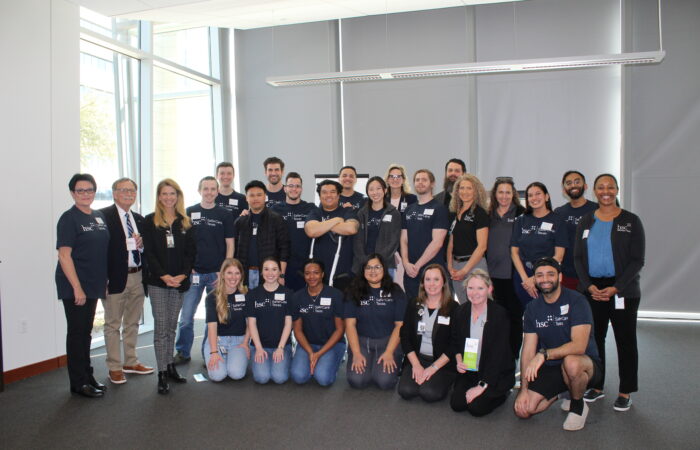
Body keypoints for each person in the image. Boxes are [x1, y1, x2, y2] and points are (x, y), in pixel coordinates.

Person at [574, 173, 645, 411]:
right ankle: (597, 386)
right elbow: (577, 258)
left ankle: (626, 390)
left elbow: (637, 261)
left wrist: (616, 287)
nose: (606, 191)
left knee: (626, 340)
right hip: (592, 288)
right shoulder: (585, 221)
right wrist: (588, 286)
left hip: (623, 289)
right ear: (594, 191)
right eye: (601, 187)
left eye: (610, 187)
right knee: (595, 340)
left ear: (616, 190)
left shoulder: (631, 221)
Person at [513, 257, 602, 431]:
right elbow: (528, 350)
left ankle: (578, 406)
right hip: (553, 367)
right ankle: (565, 391)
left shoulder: (577, 301)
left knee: (571, 362)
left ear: (560, 277)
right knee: (525, 410)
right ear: (535, 279)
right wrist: (523, 389)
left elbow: (579, 346)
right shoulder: (532, 308)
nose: (545, 279)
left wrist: (544, 354)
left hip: (584, 365)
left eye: (550, 274)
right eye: (539, 275)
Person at [56, 173, 110, 398]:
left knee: (86, 333)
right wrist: (77, 288)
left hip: (93, 283)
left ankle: (87, 376)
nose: (85, 194)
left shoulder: (98, 216)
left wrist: (103, 281)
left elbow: (101, 251)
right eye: (80, 190)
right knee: (77, 333)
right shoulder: (69, 218)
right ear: (72, 193)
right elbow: (64, 256)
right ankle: (78, 383)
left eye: (89, 190)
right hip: (75, 285)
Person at [142, 178, 196, 394]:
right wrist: (164, 276)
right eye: (164, 194)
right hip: (158, 283)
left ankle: (170, 366)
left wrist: (182, 275)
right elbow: (150, 254)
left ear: (178, 196)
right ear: (158, 197)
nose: (168, 197)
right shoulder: (150, 221)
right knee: (161, 328)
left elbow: (191, 253)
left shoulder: (185, 222)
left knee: (172, 326)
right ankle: (162, 372)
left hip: (180, 282)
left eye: (172, 193)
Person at [174, 176, 234, 365]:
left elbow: (230, 244)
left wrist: (224, 271)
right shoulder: (189, 212)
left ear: (217, 191)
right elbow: (181, 244)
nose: (209, 192)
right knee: (186, 318)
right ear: (199, 190)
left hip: (216, 275)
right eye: (205, 189)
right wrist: (187, 267)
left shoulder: (225, 214)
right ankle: (182, 351)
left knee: (213, 318)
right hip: (194, 274)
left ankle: (208, 351)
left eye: (212, 189)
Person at [100, 177, 153, 385]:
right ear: (114, 193)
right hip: (114, 278)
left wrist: (141, 245)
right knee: (113, 324)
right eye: (123, 190)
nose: (129, 194)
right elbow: (100, 252)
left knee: (132, 322)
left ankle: (131, 361)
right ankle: (114, 366)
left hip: (137, 276)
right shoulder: (103, 216)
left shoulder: (139, 219)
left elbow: (144, 250)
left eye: (132, 191)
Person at [450, 269, 515, 416]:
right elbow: (455, 341)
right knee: (457, 404)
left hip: (495, 372)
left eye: (480, 288)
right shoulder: (460, 312)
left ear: (489, 289)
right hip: (470, 369)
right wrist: (459, 360)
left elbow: (499, 355)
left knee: (476, 409)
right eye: (470, 288)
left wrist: (483, 385)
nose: (475, 293)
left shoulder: (499, 315)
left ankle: (504, 392)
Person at [344, 254, 407, 390]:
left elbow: (399, 325)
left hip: (388, 342)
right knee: (357, 381)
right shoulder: (353, 291)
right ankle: (370, 365)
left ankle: (380, 365)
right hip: (362, 343)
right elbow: (350, 325)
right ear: (363, 271)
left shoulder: (396, 291)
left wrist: (390, 352)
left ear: (384, 269)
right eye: (369, 267)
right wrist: (356, 353)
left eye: (377, 267)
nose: (373, 271)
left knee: (384, 382)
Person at [398, 264, 456, 402]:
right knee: (406, 391)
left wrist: (433, 368)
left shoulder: (453, 308)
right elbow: (405, 336)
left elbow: (455, 344)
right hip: (418, 358)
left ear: (443, 282)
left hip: (441, 363)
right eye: (428, 279)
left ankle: (448, 380)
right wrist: (416, 364)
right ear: (423, 283)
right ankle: (421, 373)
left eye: (436, 279)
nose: (432, 284)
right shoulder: (414, 304)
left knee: (429, 393)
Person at [510, 182, 567, 308]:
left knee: (547, 313)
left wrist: (537, 278)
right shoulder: (521, 220)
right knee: (528, 313)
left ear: (547, 197)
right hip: (523, 276)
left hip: (547, 276)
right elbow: (514, 252)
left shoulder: (557, 220)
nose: (534, 198)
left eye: (538, 194)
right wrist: (526, 279)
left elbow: (559, 255)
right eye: (530, 195)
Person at [486, 177, 526, 359]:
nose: (504, 196)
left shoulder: (521, 214)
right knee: (496, 320)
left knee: (515, 319)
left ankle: (513, 357)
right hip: (491, 276)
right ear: (495, 194)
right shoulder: (488, 215)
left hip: (514, 276)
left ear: (513, 194)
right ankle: (498, 357)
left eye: (508, 192)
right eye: (500, 192)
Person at [290, 259, 346, 386]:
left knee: (323, 379)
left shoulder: (336, 295)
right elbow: (297, 330)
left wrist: (319, 354)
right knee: (298, 377)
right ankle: (315, 362)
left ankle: (328, 363)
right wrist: (311, 352)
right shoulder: (297, 297)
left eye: (316, 273)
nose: (311, 277)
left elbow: (340, 330)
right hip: (307, 345)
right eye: (307, 273)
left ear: (322, 274)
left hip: (332, 344)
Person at [400, 169, 449, 300]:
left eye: (424, 180)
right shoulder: (409, 210)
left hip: (431, 270)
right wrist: (405, 262)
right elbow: (403, 239)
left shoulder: (439, 209)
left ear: (432, 184)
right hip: (410, 271)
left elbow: (437, 243)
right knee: (414, 309)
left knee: (434, 308)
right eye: (417, 180)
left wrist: (418, 265)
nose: (420, 183)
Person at [245, 257, 294, 384]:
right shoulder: (253, 294)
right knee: (262, 378)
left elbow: (288, 323)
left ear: (279, 272)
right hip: (260, 345)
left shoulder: (288, 293)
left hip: (282, 345)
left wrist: (281, 348)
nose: (270, 273)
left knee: (279, 378)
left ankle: (287, 356)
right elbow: (252, 323)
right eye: (266, 269)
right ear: (261, 272)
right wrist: (259, 348)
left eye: (274, 269)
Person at [304, 180, 359, 291]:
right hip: (318, 277)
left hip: (344, 276)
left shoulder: (348, 211)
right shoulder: (315, 213)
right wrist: (337, 220)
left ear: (339, 195)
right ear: (319, 196)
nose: (328, 195)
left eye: (332, 192)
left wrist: (321, 226)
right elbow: (311, 231)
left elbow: (351, 228)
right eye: (324, 192)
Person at [234, 180, 289, 289]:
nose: (255, 198)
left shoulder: (276, 219)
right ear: (246, 198)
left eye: (259, 195)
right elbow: (234, 250)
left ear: (265, 197)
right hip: (244, 275)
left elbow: (284, 249)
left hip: (269, 275)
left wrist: (281, 274)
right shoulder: (240, 221)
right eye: (252, 195)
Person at [204, 258, 250, 382]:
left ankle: (233, 359)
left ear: (241, 276)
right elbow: (212, 327)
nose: (233, 277)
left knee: (236, 374)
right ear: (223, 274)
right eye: (229, 273)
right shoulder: (212, 297)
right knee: (218, 376)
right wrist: (214, 352)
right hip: (217, 342)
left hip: (238, 342)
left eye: (237, 273)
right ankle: (214, 356)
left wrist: (246, 342)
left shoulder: (246, 295)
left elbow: (250, 323)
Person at [447, 174, 489, 304]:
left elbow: (482, 246)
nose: (465, 192)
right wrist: (450, 266)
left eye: (469, 188)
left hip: (474, 265)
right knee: (463, 306)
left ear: (476, 191)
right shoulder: (455, 213)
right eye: (462, 188)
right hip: (456, 266)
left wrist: (465, 270)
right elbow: (451, 244)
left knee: (478, 305)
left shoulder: (480, 213)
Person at [270, 172, 316, 291]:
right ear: (285, 188)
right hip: (281, 265)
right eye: (290, 186)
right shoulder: (274, 210)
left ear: (301, 189)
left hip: (304, 266)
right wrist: (245, 213)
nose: (294, 189)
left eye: (297, 186)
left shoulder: (310, 208)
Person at [554, 170, 598, 290]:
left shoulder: (597, 209)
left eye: (577, 182)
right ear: (564, 190)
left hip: (593, 274)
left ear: (585, 186)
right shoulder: (558, 213)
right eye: (568, 183)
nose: (573, 185)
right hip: (568, 274)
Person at [352, 176, 401, 279]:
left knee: (385, 294)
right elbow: (357, 240)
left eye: (378, 188)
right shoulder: (361, 213)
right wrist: (365, 261)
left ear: (385, 190)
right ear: (367, 192)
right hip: (363, 265)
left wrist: (378, 261)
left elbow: (394, 241)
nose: (375, 192)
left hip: (386, 265)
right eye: (371, 189)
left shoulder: (394, 213)